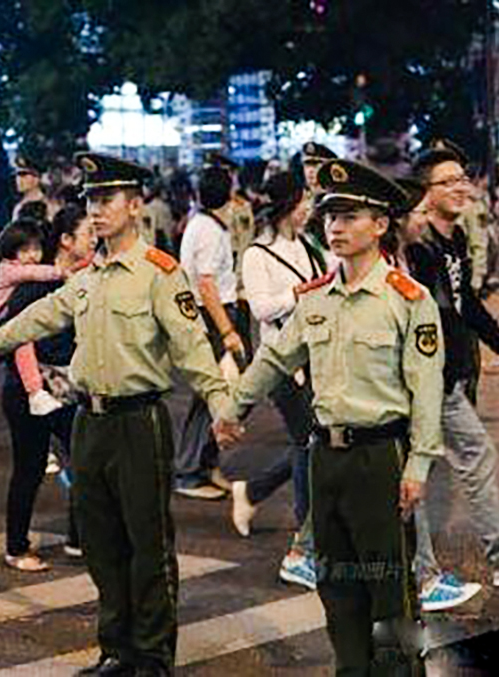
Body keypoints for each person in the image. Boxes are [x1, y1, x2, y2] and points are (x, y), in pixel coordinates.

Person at [0, 152, 238, 677]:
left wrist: (222, 407)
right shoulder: (88, 277)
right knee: (100, 541)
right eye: (90, 200)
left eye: (106, 199)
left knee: (148, 544)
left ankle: (153, 656)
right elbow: (40, 314)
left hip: (138, 422)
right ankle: (117, 648)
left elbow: (193, 350)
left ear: (135, 206)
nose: (95, 210)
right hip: (89, 421)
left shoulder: (159, 272)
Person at [218, 159, 443, 675]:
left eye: (349, 216)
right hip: (326, 458)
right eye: (329, 217)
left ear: (381, 224)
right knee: (335, 582)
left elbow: (426, 389)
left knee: (390, 587)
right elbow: (276, 358)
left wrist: (419, 465)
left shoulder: (408, 300)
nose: (335, 227)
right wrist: (234, 406)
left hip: (381, 458)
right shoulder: (316, 298)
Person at [406, 146, 499, 593]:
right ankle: (424, 574)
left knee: (474, 454)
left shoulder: (456, 238)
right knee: (416, 473)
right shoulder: (414, 243)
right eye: (447, 181)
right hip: (416, 378)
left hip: (445, 379)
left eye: (462, 178)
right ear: (425, 193)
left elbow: (463, 303)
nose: (460, 186)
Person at [232, 171, 330, 590]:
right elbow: (260, 309)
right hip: (279, 365)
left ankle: (253, 492)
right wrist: (302, 292)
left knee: (310, 443)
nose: (310, 207)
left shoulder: (308, 246)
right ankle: (304, 548)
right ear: (289, 205)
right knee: (309, 442)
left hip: (314, 358)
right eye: (304, 200)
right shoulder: (258, 254)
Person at [0, 205, 93, 573]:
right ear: (66, 241)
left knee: (85, 459)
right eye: (88, 235)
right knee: (30, 468)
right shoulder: (35, 284)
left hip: (68, 386)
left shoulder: (83, 278)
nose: (94, 240)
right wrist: (35, 387)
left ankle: (79, 538)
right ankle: (16, 546)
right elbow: (18, 337)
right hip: (28, 390)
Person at [175, 165, 247, 500]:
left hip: (214, 314)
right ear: (229, 193)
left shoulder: (204, 224)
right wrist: (228, 330)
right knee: (209, 395)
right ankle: (188, 471)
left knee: (216, 394)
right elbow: (206, 285)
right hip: (212, 318)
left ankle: (206, 464)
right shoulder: (207, 229)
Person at [0, 220, 69, 417]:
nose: (32, 256)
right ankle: (35, 393)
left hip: (4, 325)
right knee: (23, 339)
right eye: (25, 250)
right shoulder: (10, 269)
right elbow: (33, 271)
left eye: (36, 249)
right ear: (11, 251)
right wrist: (62, 271)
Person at [11, 156, 49, 221]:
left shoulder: (48, 205)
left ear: (36, 178)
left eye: (24, 175)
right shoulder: (18, 206)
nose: (19, 180)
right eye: (17, 175)